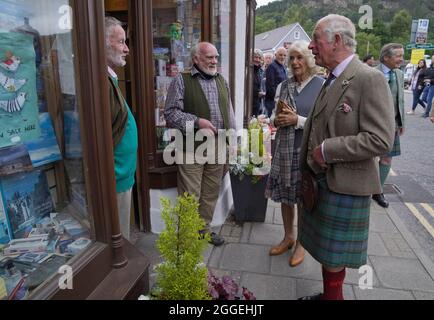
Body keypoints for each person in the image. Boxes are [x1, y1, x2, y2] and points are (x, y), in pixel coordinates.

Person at [298, 14, 395, 300]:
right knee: (328, 255)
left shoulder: (369, 78)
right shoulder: (331, 77)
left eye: (316, 39)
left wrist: (328, 149)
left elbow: (380, 139)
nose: (311, 46)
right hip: (323, 182)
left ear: (336, 40)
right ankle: (330, 296)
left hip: (345, 186)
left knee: (334, 255)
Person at [164, 42, 236, 246]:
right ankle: (186, 239)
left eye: (216, 57)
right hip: (190, 147)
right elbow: (170, 113)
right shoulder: (181, 80)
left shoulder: (221, 80)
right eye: (209, 57)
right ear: (196, 59)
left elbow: (229, 111)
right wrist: (197, 122)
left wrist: (232, 141)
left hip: (218, 146)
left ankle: (203, 230)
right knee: (190, 195)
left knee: (211, 191)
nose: (214, 61)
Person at [265, 41, 324, 267]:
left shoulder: (322, 86)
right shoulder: (284, 86)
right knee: (285, 197)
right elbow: (273, 115)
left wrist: (296, 120)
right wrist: (275, 120)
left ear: (309, 59)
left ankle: (301, 242)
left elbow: (324, 124)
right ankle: (288, 236)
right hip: (284, 150)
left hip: (307, 153)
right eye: (292, 58)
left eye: (300, 57)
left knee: (303, 198)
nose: (295, 62)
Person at [105, 17, 138, 241]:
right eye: (121, 42)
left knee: (122, 236)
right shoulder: (99, 81)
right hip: (114, 177)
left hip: (121, 175)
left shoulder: (109, 78)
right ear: (103, 42)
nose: (126, 49)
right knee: (118, 242)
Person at [372, 43, 405, 208]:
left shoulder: (399, 74)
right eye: (398, 56)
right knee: (369, 158)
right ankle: (365, 187)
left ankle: (378, 191)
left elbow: (401, 99)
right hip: (373, 123)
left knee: (386, 158)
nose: (402, 59)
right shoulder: (372, 73)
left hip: (393, 124)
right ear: (386, 57)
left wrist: (401, 122)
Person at [264, 47, 288, 117]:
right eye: (280, 55)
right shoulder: (272, 66)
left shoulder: (283, 67)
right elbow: (270, 86)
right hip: (273, 101)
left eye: (284, 55)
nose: (282, 57)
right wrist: (277, 99)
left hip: (281, 100)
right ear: (275, 55)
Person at [252, 49, 265, 117]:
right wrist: (257, 93)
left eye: (259, 58)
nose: (257, 60)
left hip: (257, 103)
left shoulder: (258, 70)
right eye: (255, 57)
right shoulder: (249, 70)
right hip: (249, 104)